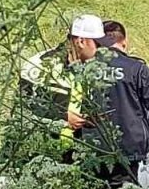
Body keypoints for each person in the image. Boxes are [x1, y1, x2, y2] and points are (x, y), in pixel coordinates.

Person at [82, 20, 149, 189]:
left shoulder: (83, 68)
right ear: (124, 41)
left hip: (92, 146)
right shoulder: (136, 68)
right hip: (128, 147)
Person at [19, 15, 108, 155]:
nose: (102, 49)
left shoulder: (97, 67)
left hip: (81, 153)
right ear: (81, 41)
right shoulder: (38, 65)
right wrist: (64, 119)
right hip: (41, 152)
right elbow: (23, 113)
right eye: (98, 44)